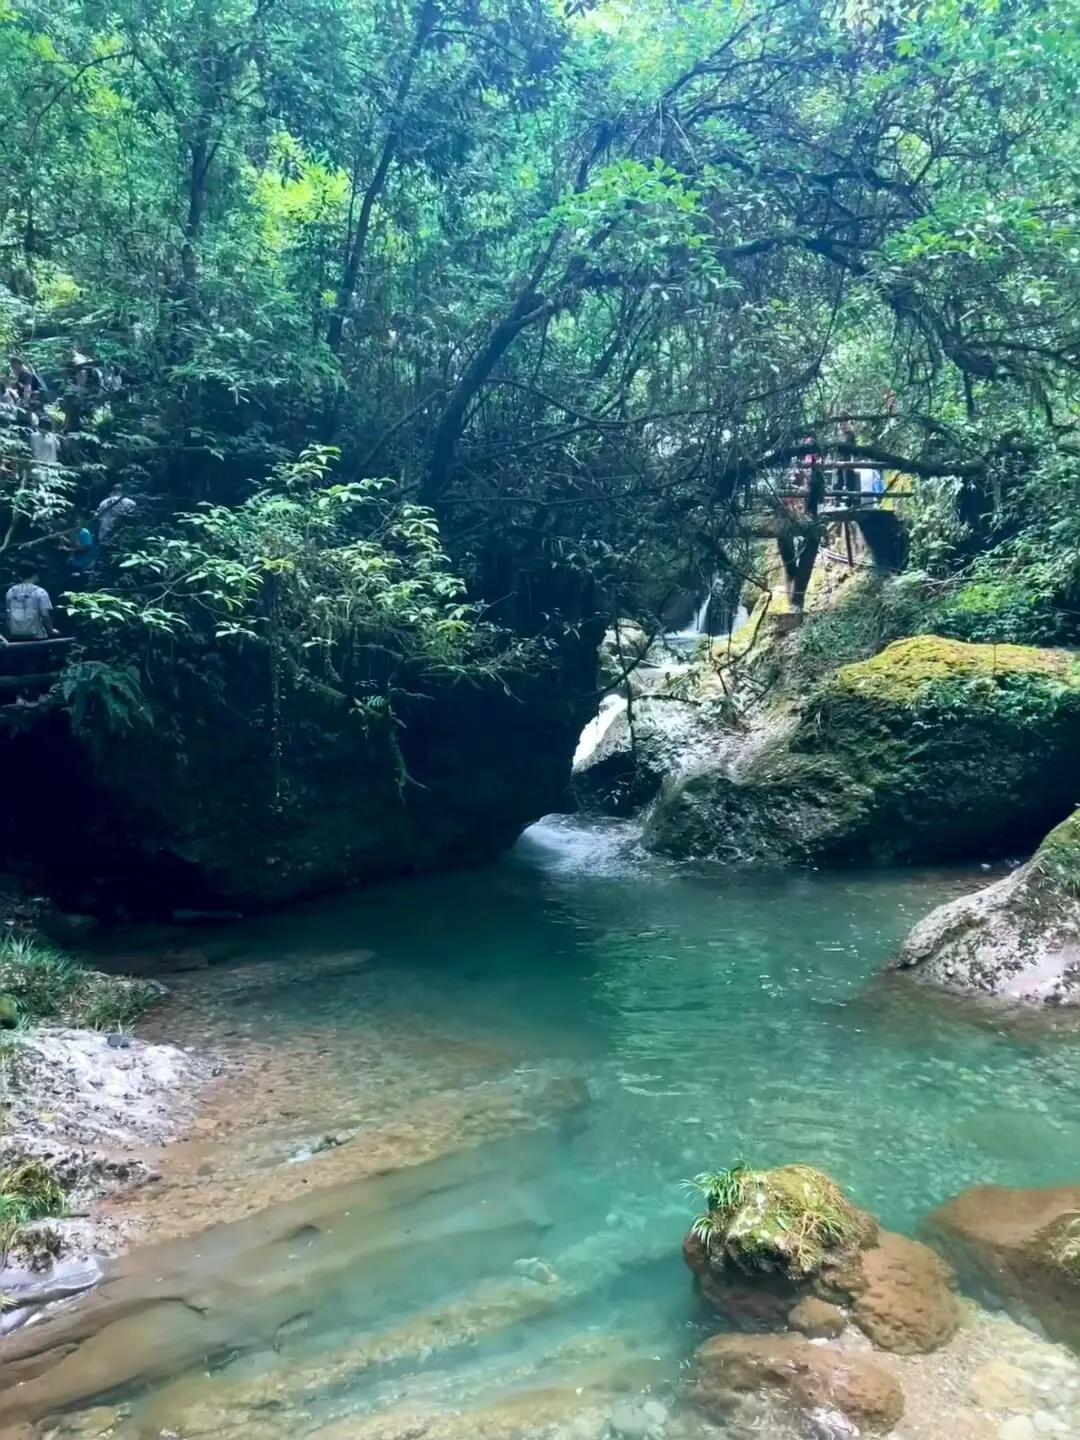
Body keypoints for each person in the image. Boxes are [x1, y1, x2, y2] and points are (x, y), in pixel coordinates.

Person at [6, 564, 56, 639]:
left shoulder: (11, 591)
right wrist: (51, 630)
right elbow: (45, 615)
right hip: (37, 636)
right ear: (34, 575)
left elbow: (8, 613)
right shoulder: (40, 592)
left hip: (15, 635)